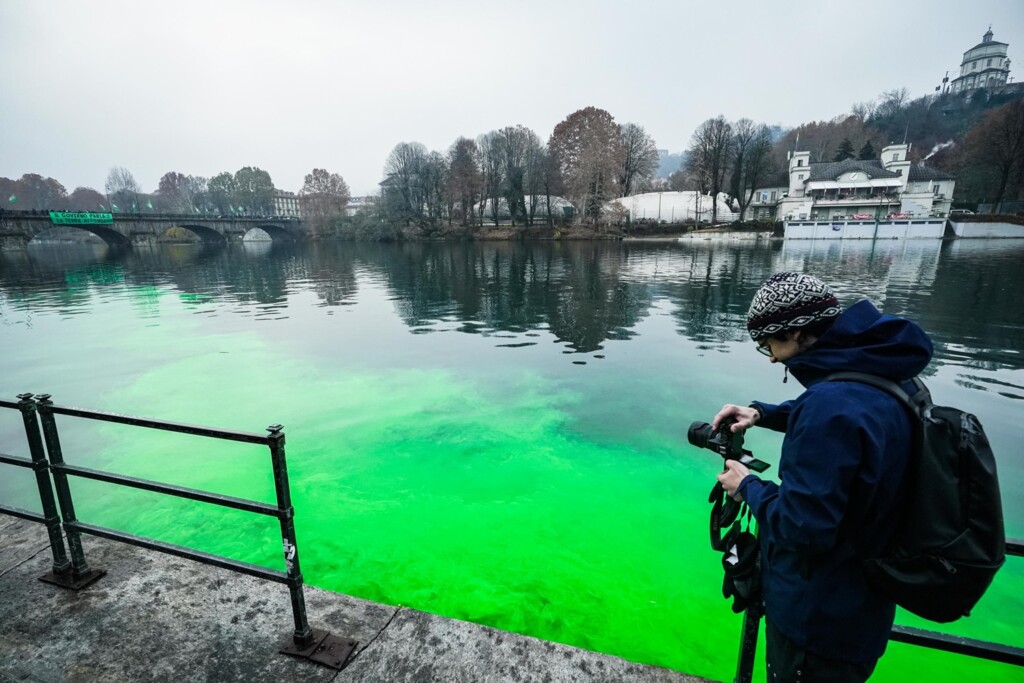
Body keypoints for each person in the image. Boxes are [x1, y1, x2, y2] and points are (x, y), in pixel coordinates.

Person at [713, 271, 933, 683]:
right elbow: (856, 417)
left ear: (796, 334)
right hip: (864, 604)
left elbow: (802, 529)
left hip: (815, 623)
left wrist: (746, 486)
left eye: (769, 344)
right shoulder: (893, 372)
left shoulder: (829, 408)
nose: (773, 358)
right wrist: (764, 413)